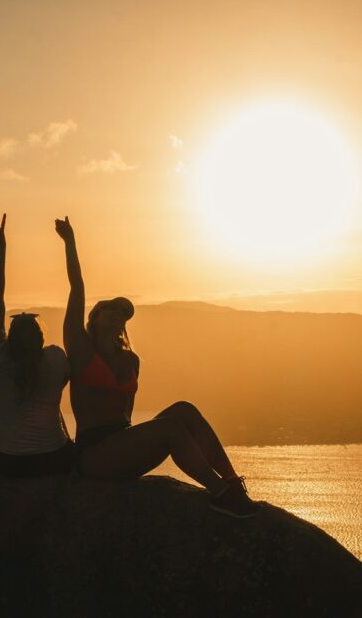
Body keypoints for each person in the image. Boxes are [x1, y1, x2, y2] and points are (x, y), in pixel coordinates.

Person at [54, 215, 259, 517]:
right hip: (95, 455)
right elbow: (77, 287)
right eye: (110, 309)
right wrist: (70, 242)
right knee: (172, 427)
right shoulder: (81, 349)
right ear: (93, 318)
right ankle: (220, 494)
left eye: (122, 314)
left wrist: (137, 444)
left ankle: (231, 482)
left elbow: (124, 414)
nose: (118, 316)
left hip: (123, 446)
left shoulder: (130, 359)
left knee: (184, 410)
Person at [0, 212, 77, 476]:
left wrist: (0, 251)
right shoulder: (56, 359)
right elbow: (75, 292)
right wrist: (69, 243)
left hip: (5, 460)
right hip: (53, 459)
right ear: (41, 336)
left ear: (9, 336)